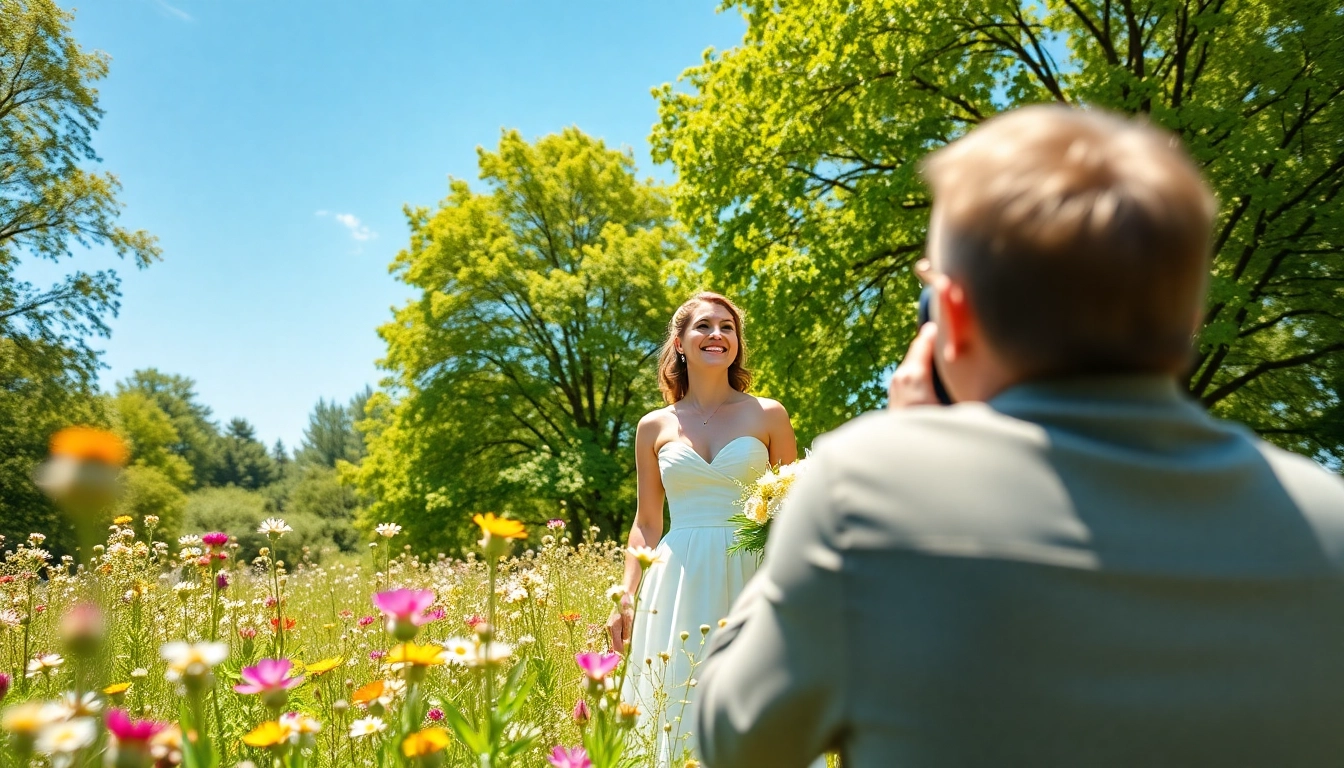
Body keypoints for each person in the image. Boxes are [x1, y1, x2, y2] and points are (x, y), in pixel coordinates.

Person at [694, 105, 1344, 767]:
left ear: (950, 313)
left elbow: (737, 744)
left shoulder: (866, 495)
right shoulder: (1329, 521)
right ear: (1194, 313)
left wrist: (895, 453)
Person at [609, 291, 797, 764]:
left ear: (736, 344)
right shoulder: (653, 426)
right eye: (704, 326)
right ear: (679, 342)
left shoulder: (768, 414)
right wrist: (626, 595)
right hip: (678, 580)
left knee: (756, 699)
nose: (717, 335)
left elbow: (796, 509)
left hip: (753, 572)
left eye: (727, 328)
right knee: (678, 701)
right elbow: (647, 523)